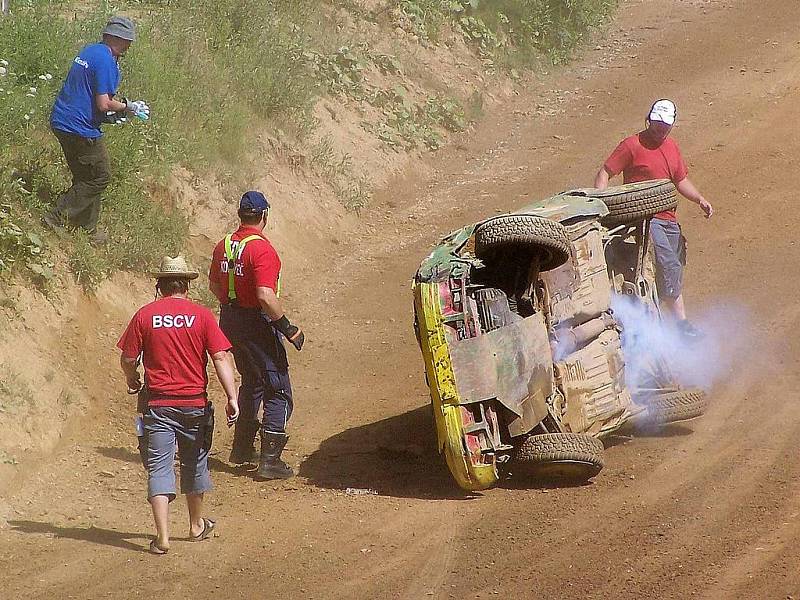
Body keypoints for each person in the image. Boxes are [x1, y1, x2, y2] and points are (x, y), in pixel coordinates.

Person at [117, 256, 239, 554]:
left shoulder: (145, 315)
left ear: (159, 285)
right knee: (194, 463)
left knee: (159, 468)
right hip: (194, 404)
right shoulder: (202, 316)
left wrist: (133, 379)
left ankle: (162, 537)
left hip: (157, 405)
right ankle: (196, 526)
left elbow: (129, 359)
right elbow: (221, 357)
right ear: (187, 285)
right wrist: (232, 396)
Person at [594, 99, 714, 339]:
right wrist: (600, 204)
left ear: (671, 126)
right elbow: (605, 172)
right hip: (645, 219)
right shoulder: (631, 145)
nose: (660, 129)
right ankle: (676, 327)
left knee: (675, 266)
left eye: (665, 126)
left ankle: (679, 325)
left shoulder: (671, 147)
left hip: (668, 218)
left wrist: (699, 198)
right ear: (649, 120)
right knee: (667, 264)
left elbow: (680, 180)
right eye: (657, 124)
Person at [209, 191, 305, 480]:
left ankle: (241, 449)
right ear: (264, 216)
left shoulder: (223, 245)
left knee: (251, 381)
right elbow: (265, 295)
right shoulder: (262, 250)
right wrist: (288, 328)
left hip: (229, 319)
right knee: (278, 387)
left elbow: (215, 286)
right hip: (255, 323)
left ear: (240, 215)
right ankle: (270, 459)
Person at [45, 15, 150, 245]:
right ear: (116, 38)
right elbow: (103, 103)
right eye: (127, 41)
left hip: (62, 120)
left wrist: (114, 116)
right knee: (100, 176)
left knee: (87, 176)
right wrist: (128, 107)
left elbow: (88, 97)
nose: (129, 46)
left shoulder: (91, 51)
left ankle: (87, 228)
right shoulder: (105, 60)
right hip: (78, 127)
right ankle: (56, 216)